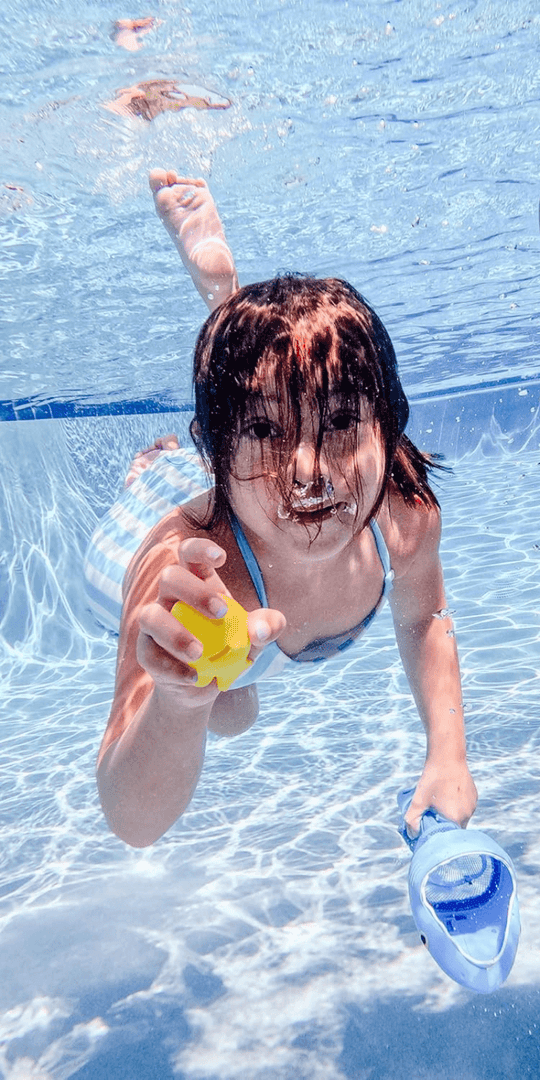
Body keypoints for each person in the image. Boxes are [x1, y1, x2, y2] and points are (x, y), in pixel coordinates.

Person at [90, 172, 476, 848]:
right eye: (267, 432)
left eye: (341, 421)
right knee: (224, 707)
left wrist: (448, 752)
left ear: (389, 427)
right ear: (212, 449)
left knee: (232, 695)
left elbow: (424, 622)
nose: (308, 472)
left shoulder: (402, 518)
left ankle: (226, 305)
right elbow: (131, 820)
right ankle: (155, 469)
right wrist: (178, 703)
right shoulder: (183, 577)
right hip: (137, 538)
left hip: (240, 505)